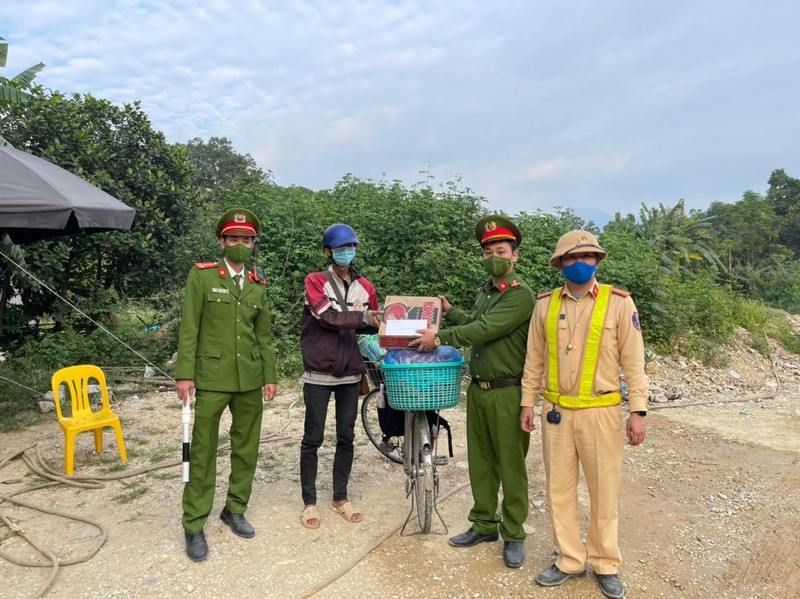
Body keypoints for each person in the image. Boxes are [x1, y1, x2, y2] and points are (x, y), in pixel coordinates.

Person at [519, 230, 648, 599]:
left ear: (598, 261)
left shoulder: (619, 303)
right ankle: (569, 560)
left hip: (602, 412)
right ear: (560, 264)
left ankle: (605, 562)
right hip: (556, 412)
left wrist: (637, 410)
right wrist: (528, 403)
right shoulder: (544, 305)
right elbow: (534, 360)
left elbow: (634, 362)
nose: (581, 264)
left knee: (603, 491)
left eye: (588, 257)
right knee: (559, 490)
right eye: (572, 259)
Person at [412, 215, 535, 569]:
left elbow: (487, 329)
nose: (494, 255)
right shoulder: (487, 291)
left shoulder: (520, 295)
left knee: (510, 465)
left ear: (514, 256)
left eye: (501, 249)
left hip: (508, 392)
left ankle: (514, 533)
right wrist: (451, 314)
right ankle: (484, 524)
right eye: (488, 250)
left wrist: (440, 337)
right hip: (478, 391)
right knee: (481, 462)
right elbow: (475, 322)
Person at [175, 208, 278, 562]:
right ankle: (193, 522)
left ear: (253, 244)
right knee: (201, 451)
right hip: (211, 377)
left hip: (249, 378)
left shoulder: (258, 282)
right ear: (222, 241)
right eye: (233, 238)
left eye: (247, 240)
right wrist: (184, 374)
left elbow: (263, 335)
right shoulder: (202, 277)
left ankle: (234, 508)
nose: (240, 245)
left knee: (246, 447)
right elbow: (190, 328)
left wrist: (270, 374)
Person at [299, 224, 381, 529]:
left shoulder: (366, 287)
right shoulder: (315, 281)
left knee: (346, 436)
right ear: (328, 252)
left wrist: (389, 318)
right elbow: (327, 317)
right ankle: (309, 503)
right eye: (341, 247)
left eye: (352, 247)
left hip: (350, 373)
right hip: (319, 371)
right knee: (313, 437)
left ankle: (340, 498)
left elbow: (370, 326)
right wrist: (366, 316)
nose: (348, 252)